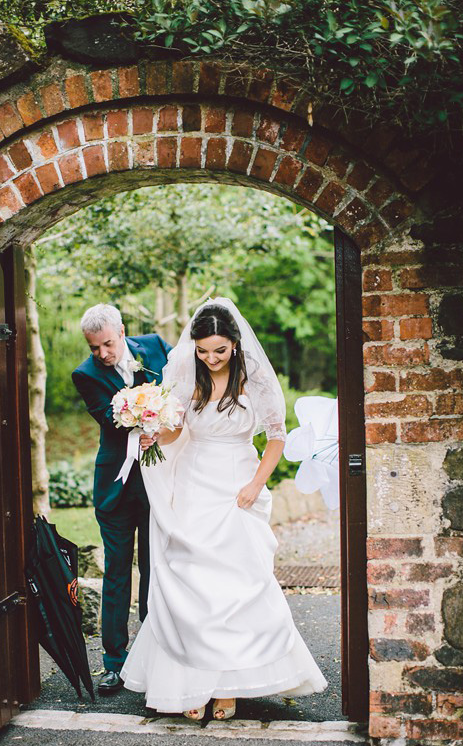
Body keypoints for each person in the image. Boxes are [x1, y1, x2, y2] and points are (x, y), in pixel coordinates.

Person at [120, 297, 328, 720]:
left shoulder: (257, 383)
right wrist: (151, 432)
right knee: (191, 582)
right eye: (202, 350)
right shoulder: (188, 378)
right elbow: (178, 430)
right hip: (194, 485)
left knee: (237, 585)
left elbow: (276, 438)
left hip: (237, 483)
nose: (210, 358)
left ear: (234, 343)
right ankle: (191, 684)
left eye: (218, 350)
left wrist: (256, 484)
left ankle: (230, 685)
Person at [71, 304, 172, 695]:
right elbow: (112, 420)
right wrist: (146, 419)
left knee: (154, 568)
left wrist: (162, 422)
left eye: (108, 344)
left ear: (122, 332)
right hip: (115, 486)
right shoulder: (86, 374)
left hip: (157, 483)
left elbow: (178, 391)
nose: (103, 354)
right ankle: (113, 663)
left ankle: (152, 657)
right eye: (94, 347)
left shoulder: (156, 347)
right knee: (116, 573)